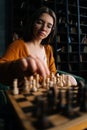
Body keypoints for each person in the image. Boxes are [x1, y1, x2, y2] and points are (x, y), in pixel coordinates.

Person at [0, 6, 57, 86]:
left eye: (49, 26)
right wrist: (16, 66)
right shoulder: (17, 45)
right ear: (32, 23)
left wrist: (65, 78)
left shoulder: (48, 49)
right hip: (23, 95)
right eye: (40, 22)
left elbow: (53, 73)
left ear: (52, 30)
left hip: (45, 94)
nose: (44, 28)